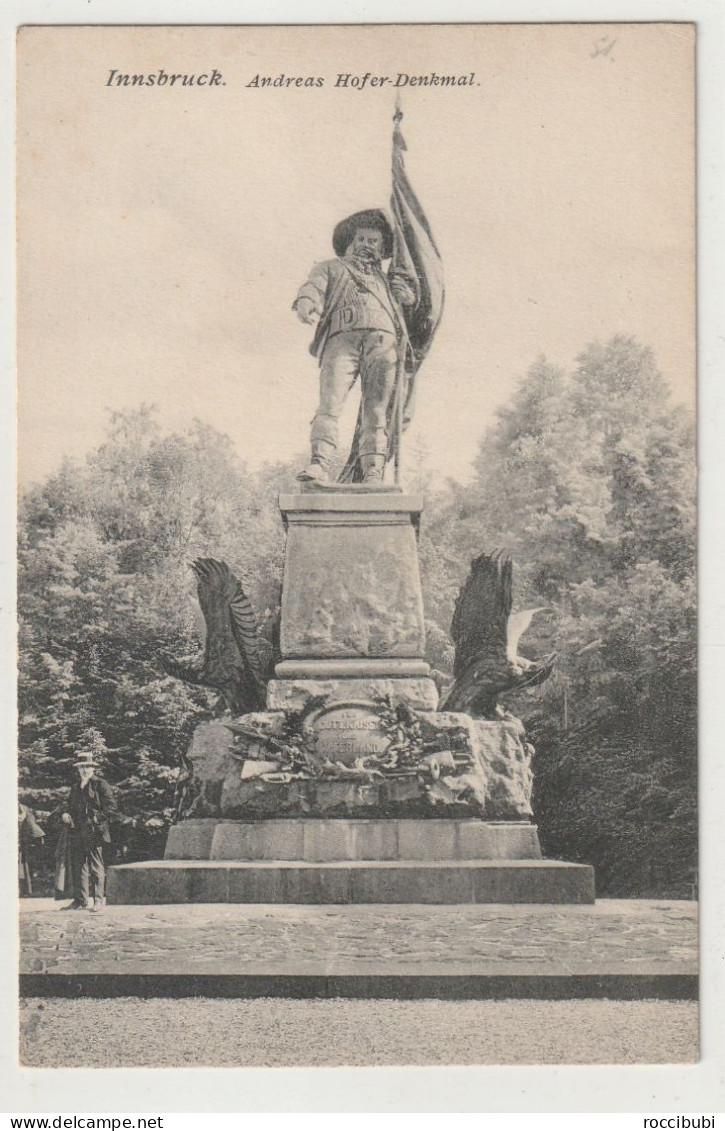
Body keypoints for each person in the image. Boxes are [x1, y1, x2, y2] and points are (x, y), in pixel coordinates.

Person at [293, 209, 417, 484]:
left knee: (376, 410)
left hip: (384, 344)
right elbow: (313, 286)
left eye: (373, 241)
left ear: (382, 247)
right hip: (341, 340)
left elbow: (409, 322)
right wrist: (306, 301)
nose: (366, 245)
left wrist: (406, 299)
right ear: (351, 241)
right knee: (330, 404)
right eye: (361, 239)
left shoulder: (388, 282)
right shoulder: (331, 268)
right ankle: (319, 462)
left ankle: (373, 471)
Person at [60, 751, 118, 912]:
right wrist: (65, 814)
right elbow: (69, 805)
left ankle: (98, 900)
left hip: (94, 832)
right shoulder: (75, 787)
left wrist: (95, 820)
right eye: (82, 767)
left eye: (88, 766)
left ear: (93, 768)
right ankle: (80, 901)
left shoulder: (100, 784)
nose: (85, 770)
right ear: (78, 769)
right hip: (77, 831)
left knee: (96, 866)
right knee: (78, 866)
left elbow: (111, 808)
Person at [18, 803, 45, 896]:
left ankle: (23, 889)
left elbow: (30, 821)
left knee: (22, 864)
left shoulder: (23, 808)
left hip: (20, 840)